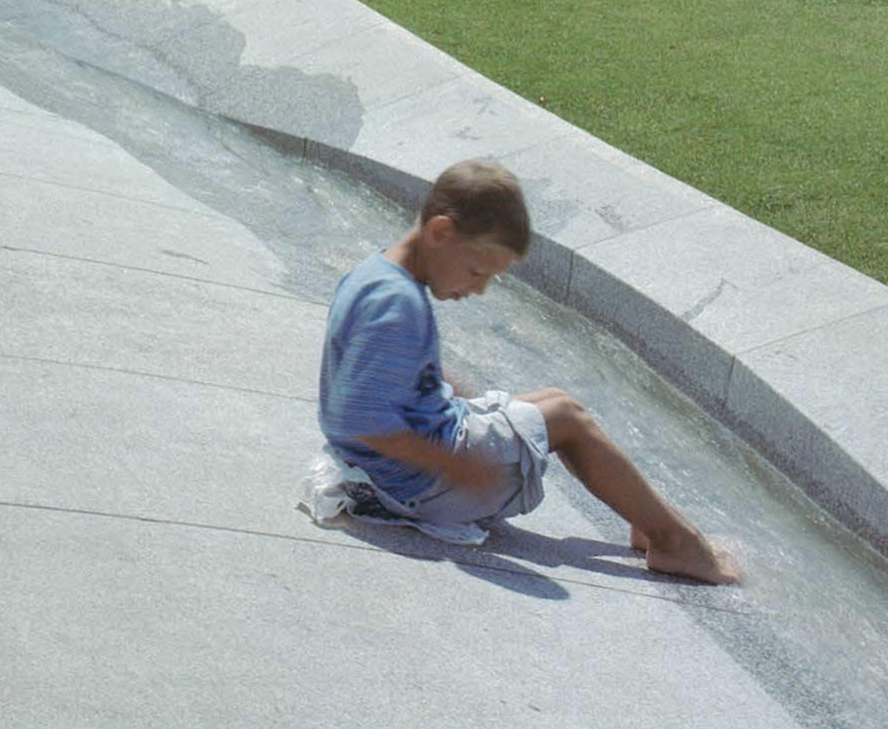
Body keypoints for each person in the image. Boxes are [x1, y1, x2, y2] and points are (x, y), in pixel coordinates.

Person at [316, 159, 737, 582]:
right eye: (477, 271)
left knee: (553, 400)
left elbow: (377, 376)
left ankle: (647, 520)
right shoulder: (398, 303)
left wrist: (446, 391)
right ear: (440, 232)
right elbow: (359, 418)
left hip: (391, 471)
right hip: (421, 486)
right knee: (568, 421)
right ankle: (676, 544)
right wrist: (458, 466)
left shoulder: (375, 274)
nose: (478, 288)